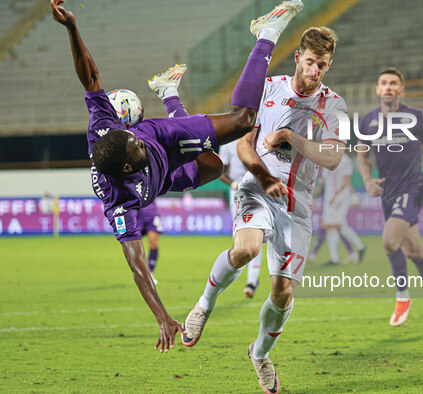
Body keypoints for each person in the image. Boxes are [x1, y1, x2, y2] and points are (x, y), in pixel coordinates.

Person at [51, 0, 297, 352]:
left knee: (244, 120)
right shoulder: (120, 203)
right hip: (166, 178)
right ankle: (169, 92)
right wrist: (162, 316)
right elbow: (137, 266)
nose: (136, 140)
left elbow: (89, 75)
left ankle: (267, 33)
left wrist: (71, 28)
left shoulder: (105, 128)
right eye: (135, 147)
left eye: (131, 135)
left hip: (167, 135)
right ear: (126, 168)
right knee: (215, 166)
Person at [182, 21, 347, 393]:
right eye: (309, 62)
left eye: (322, 65)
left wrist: (290, 137)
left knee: (283, 292)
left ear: (328, 66)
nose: (314, 71)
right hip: (257, 186)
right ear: (297, 57)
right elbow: (243, 146)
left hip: (298, 205)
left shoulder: (334, 106)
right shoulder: (268, 89)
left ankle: (259, 355)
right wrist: (264, 173)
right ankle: (204, 305)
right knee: (246, 249)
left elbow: (333, 158)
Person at [357, 67, 423, 328]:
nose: (388, 87)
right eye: (383, 83)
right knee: (414, 251)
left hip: (413, 188)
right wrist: (367, 181)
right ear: (378, 90)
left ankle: (402, 297)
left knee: (390, 241)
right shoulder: (367, 122)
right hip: (388, 194)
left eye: (393, 83)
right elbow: (362, 156)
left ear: (401, 90)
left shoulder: (417, 116)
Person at [219, 140, 263, 298]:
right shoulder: (229, 143)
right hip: (237, 193)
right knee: (240, 237)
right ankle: (235, 276)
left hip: (259, 191)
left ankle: (252, 280)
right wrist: (233, 183)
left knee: (257, 233)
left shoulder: (260, 138)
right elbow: (219, 170)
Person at [315, 154, 366, 265]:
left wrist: (340, 196)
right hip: (329, 198)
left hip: (340, 198)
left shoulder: (345, 160)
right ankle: (337, 257)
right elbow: (323, 180)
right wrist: (315, 195)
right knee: (334, 226)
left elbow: (347, 182)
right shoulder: (326, 159)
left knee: (333, 225)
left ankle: (357, 247)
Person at [138, 201, 163, 284]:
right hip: (135, 211)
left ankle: (149, 273)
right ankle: (139, 273)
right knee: (133, 244)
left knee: (153, 242)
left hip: (151, 211)